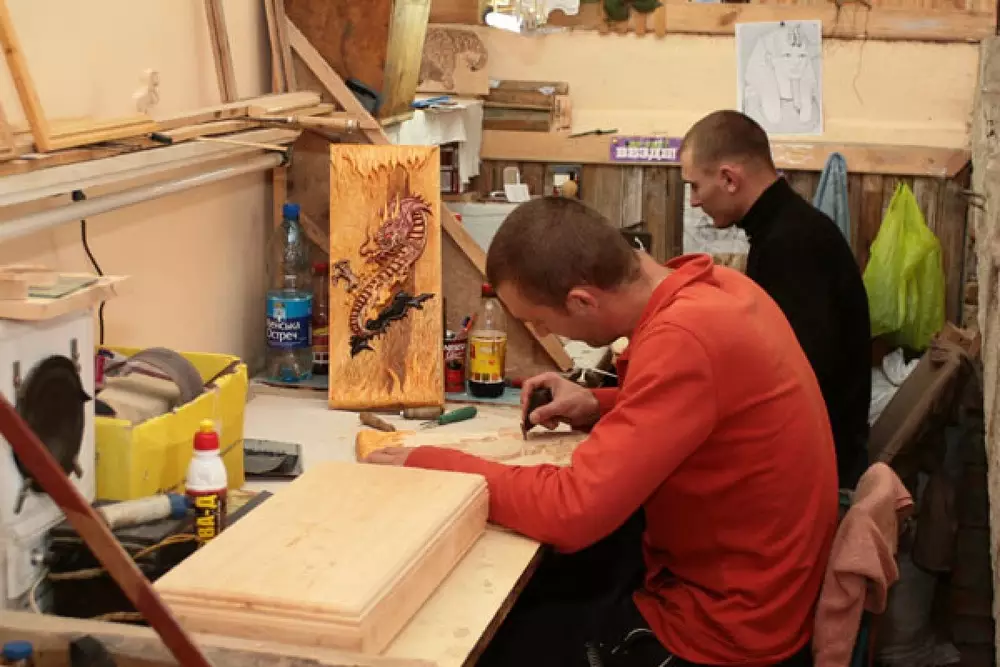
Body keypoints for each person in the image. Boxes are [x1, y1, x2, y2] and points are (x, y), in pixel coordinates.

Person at [366, 197, 838, 667]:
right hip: (762, 590)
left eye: (539, 321)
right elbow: (709, 408)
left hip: (721, 632)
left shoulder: (684, 337)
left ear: (582, 301)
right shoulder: (720, 287)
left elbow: (570, 511)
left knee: (479, 641)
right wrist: (599, 403)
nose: (541, 331)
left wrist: (434, 464)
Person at [679, 110, 872, 490]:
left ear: (729, 179)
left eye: (695, 186)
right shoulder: (786, 228)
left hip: (817, 464)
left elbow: (794, 376)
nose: (694, 201)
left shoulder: (791, 243)